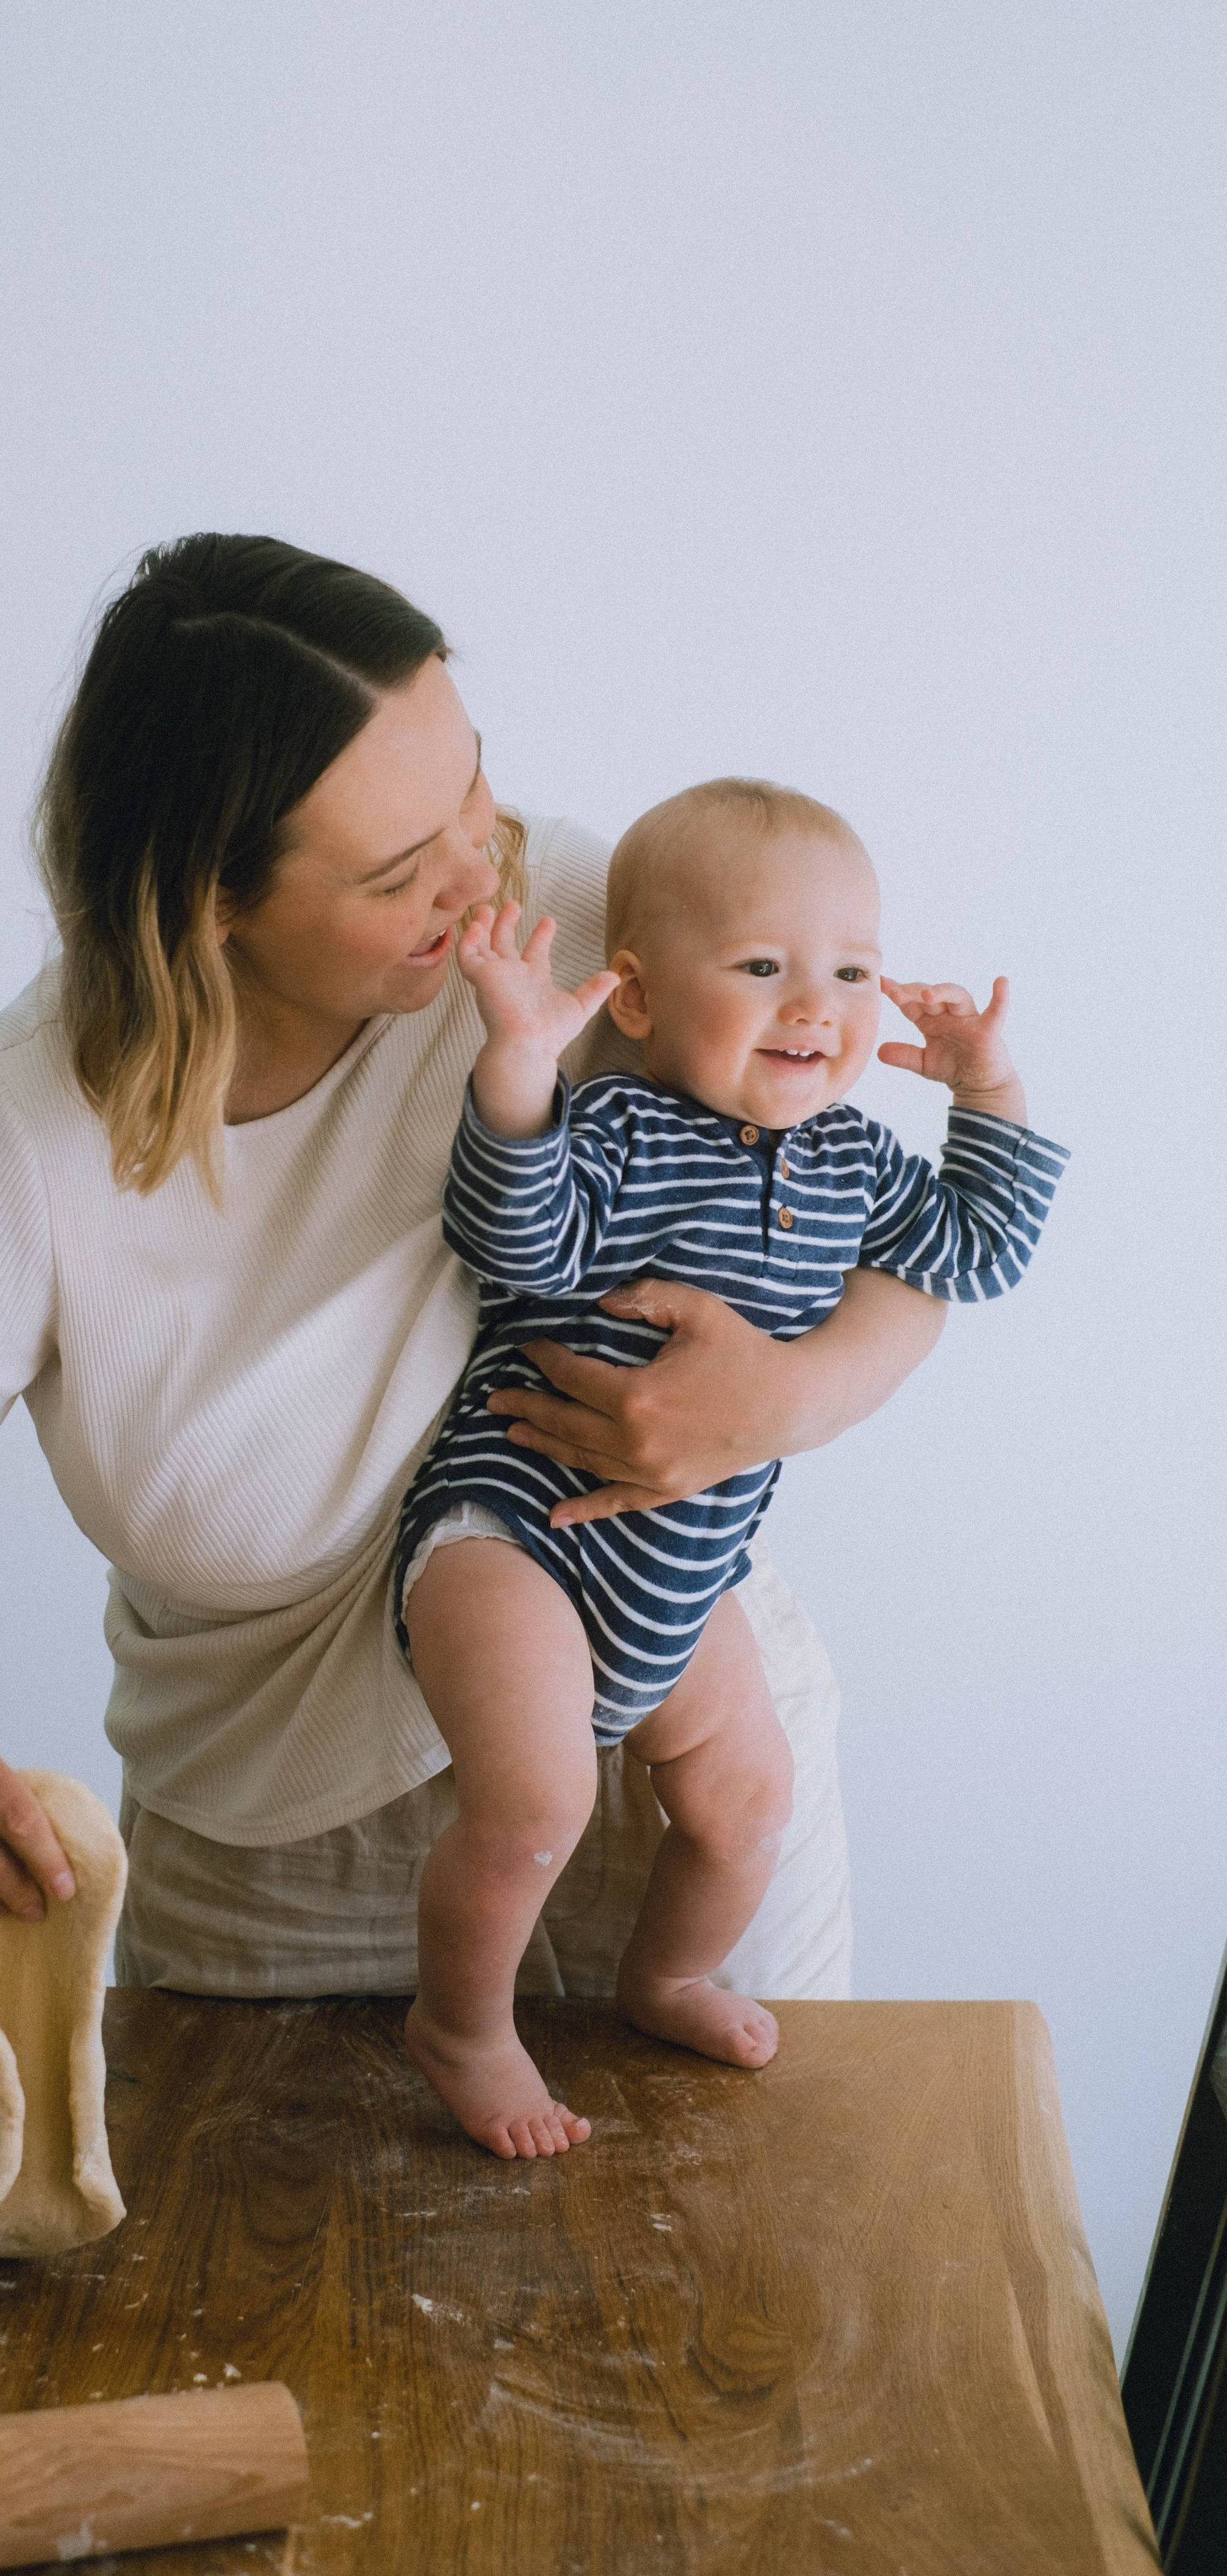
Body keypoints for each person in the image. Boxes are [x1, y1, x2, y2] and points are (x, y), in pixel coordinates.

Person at [0, 535, 946, 2036]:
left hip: (667, 1751)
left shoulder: (577, 916)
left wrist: (791, 1395)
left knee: (754, 2258)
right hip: (275, 1852)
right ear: (212, 901)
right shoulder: (27, 1140)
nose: (483, 882)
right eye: (402, 873)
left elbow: (882, 1210)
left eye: (472, 789)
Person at [392, 780, 1069, 2157]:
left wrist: (986, 1086)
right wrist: (517, 1064)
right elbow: (513, 1240)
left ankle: (666, 1975)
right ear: (632, 998)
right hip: (516, 1522)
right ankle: (460, 2026)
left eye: (850, 973)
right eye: (761, 969)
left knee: (744, 1795)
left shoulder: (857, 1169)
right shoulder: (622, 1129)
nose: (813, 1006)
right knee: (536, 1805)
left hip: (685, 1565)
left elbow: (979, 1252)